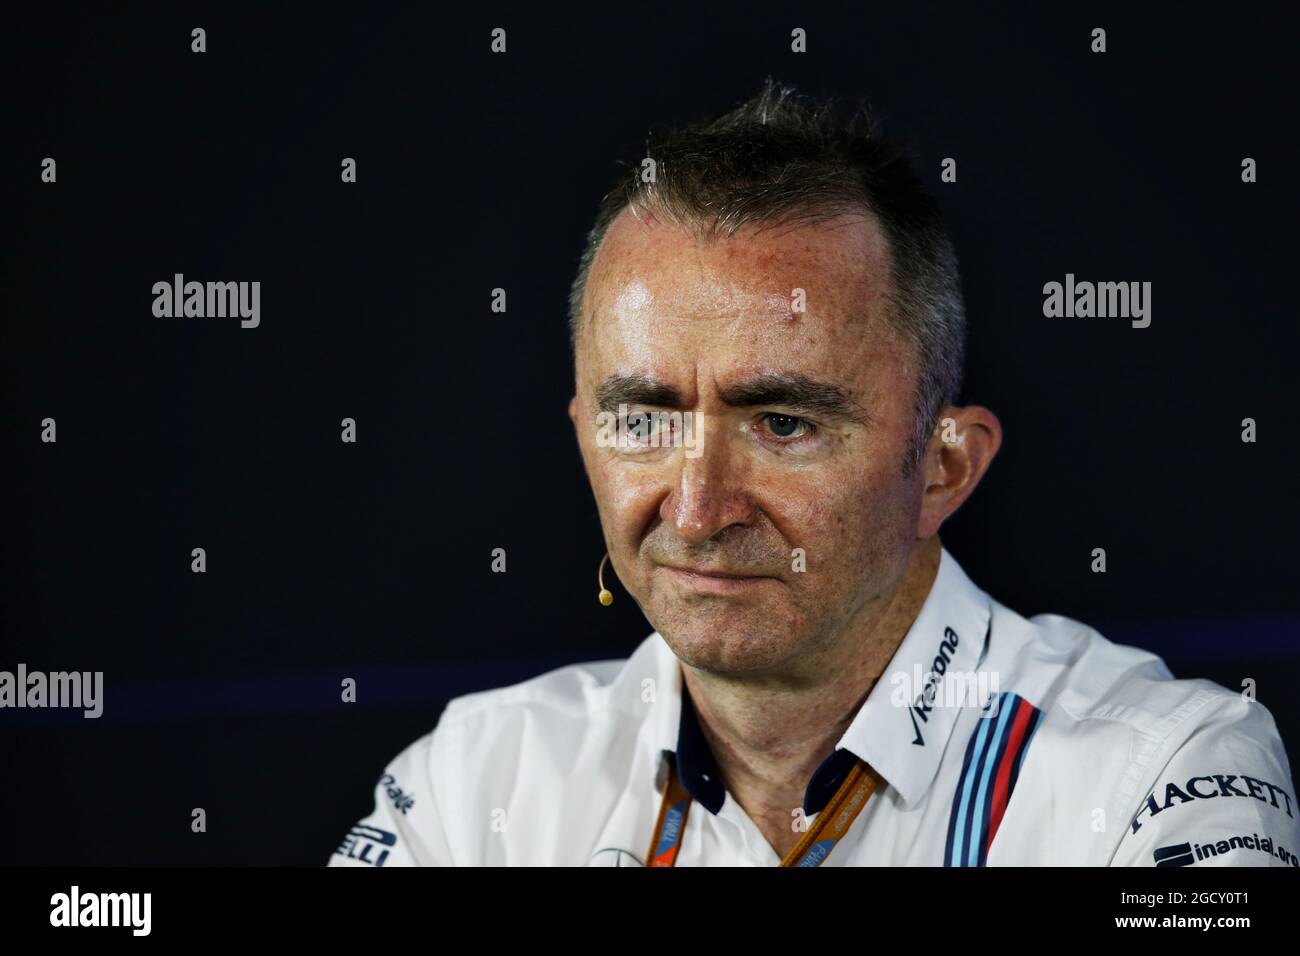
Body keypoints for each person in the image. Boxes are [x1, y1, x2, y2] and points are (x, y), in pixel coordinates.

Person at [329, 79, 1298, 867]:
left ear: (944, 467)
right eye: (641, 417)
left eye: (783, 422)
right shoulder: (474, 783)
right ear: (583, 430)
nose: (698, 509)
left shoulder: (1168, 776)